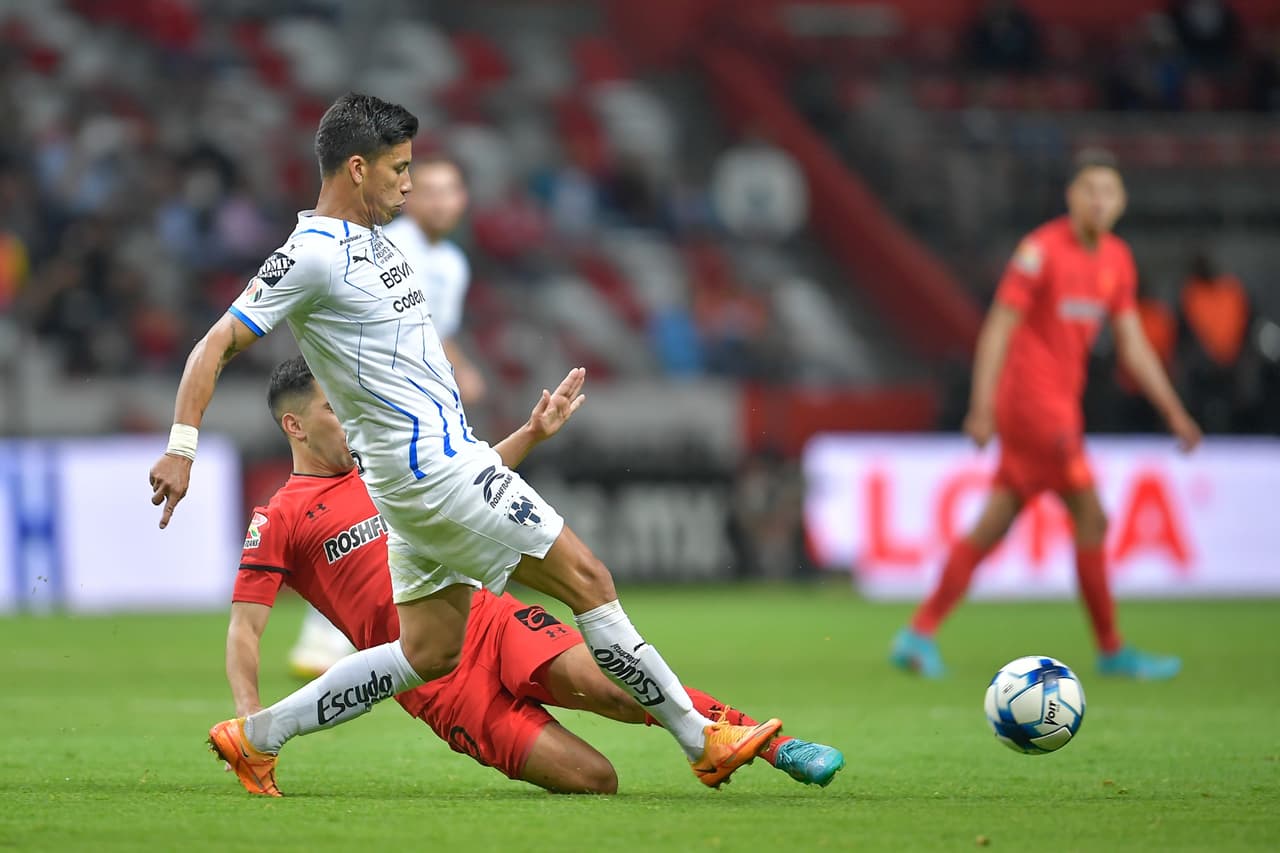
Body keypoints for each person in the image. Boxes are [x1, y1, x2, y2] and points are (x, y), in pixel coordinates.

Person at [148, 92, 782, 796]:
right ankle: (701, 739)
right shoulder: (311, 256)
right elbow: (214, 344)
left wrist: (517, 431)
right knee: (589, 581)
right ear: (356, 168)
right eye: (399, 169)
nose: (409, 183)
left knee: (426, 651)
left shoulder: (379, 243)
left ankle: (257, 737)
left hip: (412, 484)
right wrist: (182, 447)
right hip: (439, 474)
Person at [227, 356, 843, 795]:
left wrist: (532, 433)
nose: (351, 418)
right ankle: (261, 737)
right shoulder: (280, 516)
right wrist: (249, 717)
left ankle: (774, 746)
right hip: (437, 681)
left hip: (490, 621)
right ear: (295, 425)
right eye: (333, 408)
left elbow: (465, 487)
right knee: (596, 780)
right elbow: (245, 629)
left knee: (617, 690)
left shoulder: (385, 467)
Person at [889, 149, 1203, 681]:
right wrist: (982, 405)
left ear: (1122, 201)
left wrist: (1174, 411)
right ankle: (1111, 649)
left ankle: (918, 633)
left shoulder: (1117, 259)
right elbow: (999, 326)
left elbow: (1132, 344)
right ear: (1071, 196)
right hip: (1034, 408)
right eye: (1090, 190)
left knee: (996, 521)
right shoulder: (1039, 252)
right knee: (1091, 516)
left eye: (1109, 192)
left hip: (1058, 406)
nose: (1099, 201)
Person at [286, 153, 486, 679]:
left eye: (450, 191)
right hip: (377, 408)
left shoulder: (453, 264)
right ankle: (328, 635)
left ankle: (367, 634)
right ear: (412, 199)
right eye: (430, 190)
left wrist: (460, 371)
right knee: (364, 516)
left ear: (462, 201)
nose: (440, 201)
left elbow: (434, 331)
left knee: (392, 519)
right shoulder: (389, 248)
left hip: (421, 409)